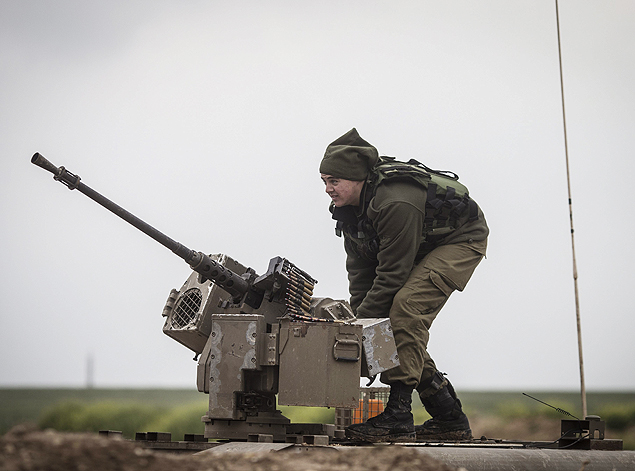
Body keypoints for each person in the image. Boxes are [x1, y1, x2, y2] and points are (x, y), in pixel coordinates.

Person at [319, 128, 489, 443]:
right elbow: (361, 277)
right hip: (419, 246)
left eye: (335, 181)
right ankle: (448, 417)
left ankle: (398, 416)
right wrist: (360, 324)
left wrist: (359, 326)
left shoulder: (395, 202)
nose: (328, 189)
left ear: (357, 178)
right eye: (324, 181)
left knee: (405, 310)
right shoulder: (349, 213)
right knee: (387, 325)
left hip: (462, 239)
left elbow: (392, 276)